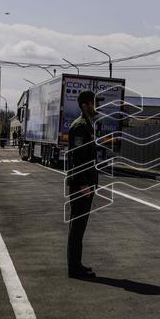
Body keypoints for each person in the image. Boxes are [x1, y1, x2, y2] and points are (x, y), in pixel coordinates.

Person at [66, 90, 99, 278]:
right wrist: (83, 184)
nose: (96, 107)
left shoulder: (87, 125)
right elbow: (77, 159)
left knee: (80, 227)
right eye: (94, 103)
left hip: (85, 183)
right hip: (81, 185)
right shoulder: (80, 126)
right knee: (77, 227)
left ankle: (77, 264)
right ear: (85, 105)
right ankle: (74, 268)